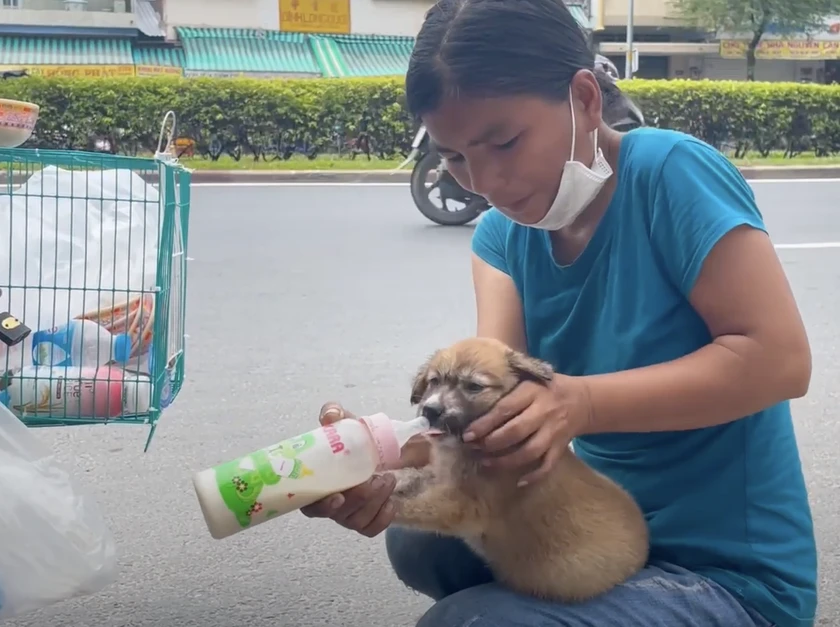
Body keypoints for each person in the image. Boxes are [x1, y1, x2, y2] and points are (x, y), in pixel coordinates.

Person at [302, 0, 818, 625]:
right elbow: (492, 422)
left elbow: (779, 360)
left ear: (584, 99)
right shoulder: (501, 238)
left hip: (727, 574)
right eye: (455, 156)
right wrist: (376, 459)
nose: (483, 182)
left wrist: (582, 404)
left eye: (504, 142)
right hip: (589, 536)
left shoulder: (670, 175)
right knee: (416, 540)